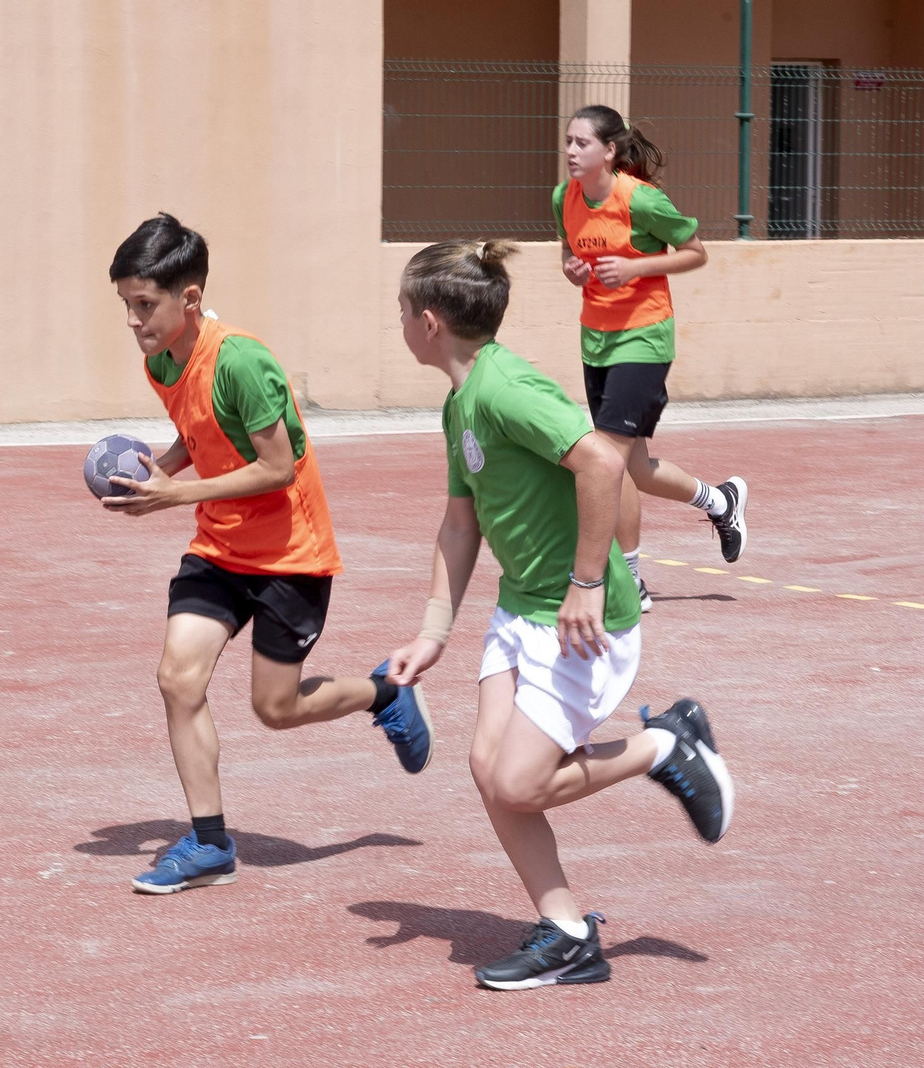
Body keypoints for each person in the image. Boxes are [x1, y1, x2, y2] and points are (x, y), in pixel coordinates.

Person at [386, 238, 734, 990]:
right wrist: (432, 632)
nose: (401, 322)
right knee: (489, 771)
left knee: (518, 784)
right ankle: (569, 933)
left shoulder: (507, 389)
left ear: (430, 321)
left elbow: (602, 461)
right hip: (521, 609)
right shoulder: (462, 401)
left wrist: (584, 582)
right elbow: (459, 525)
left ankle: (661, 749)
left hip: (578, 617)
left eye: (403, 310)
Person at [105, 213, 433, 895]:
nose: (134, 320)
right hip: (219, 547)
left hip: (291, 554)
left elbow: (277, 467)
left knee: (275, 709)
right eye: (126, 306)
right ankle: (208, 844)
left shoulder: (243, 362)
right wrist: (154, 469)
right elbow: (201, 435)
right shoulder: (160, 360)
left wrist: (171, 496)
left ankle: (385, 694)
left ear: (188, 299)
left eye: (145, 304)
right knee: (177, 680)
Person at [555, 105, 747, 610]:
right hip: (595, 339)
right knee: (633, 467)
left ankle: (629, 580)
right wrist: (573, 270)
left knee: (605, 464)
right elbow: (567, 251)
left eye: (582, 143)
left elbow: (696, 251)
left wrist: (638, 267)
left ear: (609, 151)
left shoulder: (641, 200)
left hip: (644, 338)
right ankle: (720, 500)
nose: (571, 152)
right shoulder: (564, 197)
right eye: (568, 142)